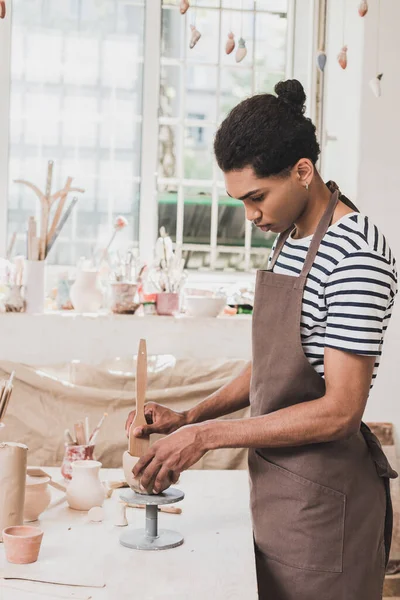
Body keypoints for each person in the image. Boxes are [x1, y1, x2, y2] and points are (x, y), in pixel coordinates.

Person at [125, 79, 398, 599]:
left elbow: (340, 409)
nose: (250, 216)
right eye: (240, 200)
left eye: (256, 197)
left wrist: (207, 439)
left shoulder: (356, 254)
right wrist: (189, 418)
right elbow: (275, 366)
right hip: (277, 493)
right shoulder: (291, 236)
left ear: (303, 171)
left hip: (325, 509)